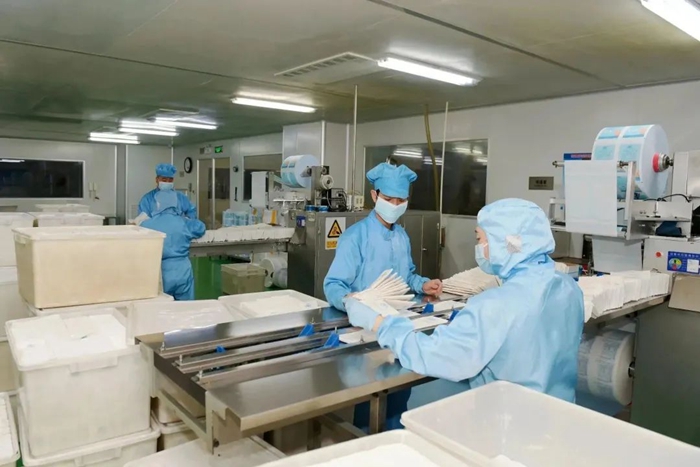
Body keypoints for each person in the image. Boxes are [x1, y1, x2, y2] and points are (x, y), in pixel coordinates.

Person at [345, 198, 584, 403]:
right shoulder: (568, 287)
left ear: (507, 244)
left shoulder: (495, 306)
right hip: (558, 416)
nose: (478, 247)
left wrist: (380, 323)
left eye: (480, 239)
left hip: (508, 425)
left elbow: (435, 355)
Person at [324, 162, 443, 431]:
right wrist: (350, 300)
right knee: (370, 397)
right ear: (374, 195)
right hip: (367, 331)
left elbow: (406, 276)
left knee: (400, 390)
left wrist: (423, 284)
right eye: (389, 199)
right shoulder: (356, 237)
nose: (395, 205)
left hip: (398, 326)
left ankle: (394, 440)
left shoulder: (401, 236)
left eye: (401, 200)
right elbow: (333, 284)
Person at [141, 189, 205, 301]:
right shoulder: (183, 222)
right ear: (176, 204)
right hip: (182, 270)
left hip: (160, 271)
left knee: (162, 305)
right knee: (186, 307)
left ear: (157, 204)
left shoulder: (147, 224)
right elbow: (200, 227)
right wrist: (187, 219)